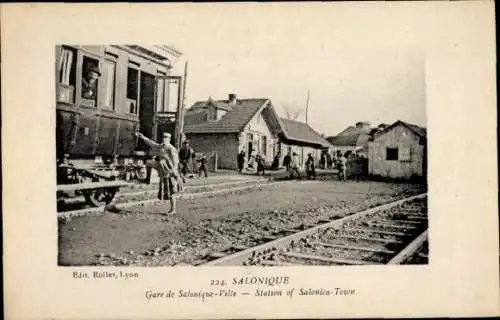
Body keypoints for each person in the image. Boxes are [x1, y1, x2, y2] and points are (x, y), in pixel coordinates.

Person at [135, 132, 180, 215]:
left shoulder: (171, 149)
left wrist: (174, 172)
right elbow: (152, 144)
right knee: (148, 163)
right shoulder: (161, 147)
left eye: (166, 137)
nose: (164, 139)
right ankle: (147, 179)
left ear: (169, 139)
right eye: (163, 137)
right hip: (162, 168)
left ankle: (173, 209)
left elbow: (176, 162)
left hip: (170, 171)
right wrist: (143, 137)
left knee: (171, 191)